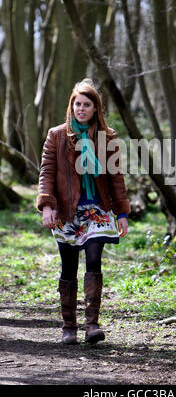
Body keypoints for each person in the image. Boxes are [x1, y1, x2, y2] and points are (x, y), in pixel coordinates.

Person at [36, 79, 130, 345]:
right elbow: (47, 172)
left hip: (97, 209)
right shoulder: (57, 135)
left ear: (95, 108)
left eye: (87, 105)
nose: (81, 109)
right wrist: (46, 205)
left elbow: (116, 177)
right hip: (67, 210)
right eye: (77, 104)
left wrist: (121, 212)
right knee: (69, 266)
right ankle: (69, 327)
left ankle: (92, 325)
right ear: (72, 106)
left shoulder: (107, 137)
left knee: (93, 260)